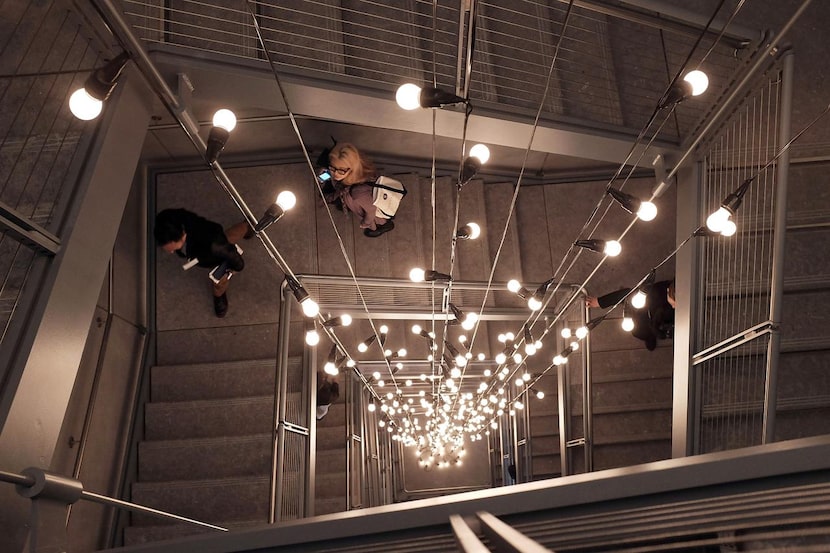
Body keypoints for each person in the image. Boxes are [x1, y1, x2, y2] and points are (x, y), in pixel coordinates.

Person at [154, 208, 250, 318]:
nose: (171, 252)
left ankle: (219, 294)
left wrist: (237, 267)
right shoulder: (173, 221)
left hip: (214, 255)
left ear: (182, 236)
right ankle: (247, 227)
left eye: (172, 247)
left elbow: (231, 255)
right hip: (207, 246)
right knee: (229, 236)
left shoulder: (215, 246)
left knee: (219, 280)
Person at [322, 142, 394, 238]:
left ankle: (379, 227)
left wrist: (365, 223)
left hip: (374, 215)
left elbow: (371, 211)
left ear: (352, 168)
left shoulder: (359, 192)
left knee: (373, 223)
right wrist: (322, 177)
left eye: (341, 170)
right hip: (356, 201)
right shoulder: (354, 172)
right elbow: (334, 178)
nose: (336, 174)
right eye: (332, 168)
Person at [585, 280, 675, 351]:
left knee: (641, 330)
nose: (674, 306)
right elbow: (627, 294)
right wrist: (599, 302)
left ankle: (650, 336)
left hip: (657, 320)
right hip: (647, 307)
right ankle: (649, 337)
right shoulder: (657, 292)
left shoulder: (674, 312)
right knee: (636, 330)